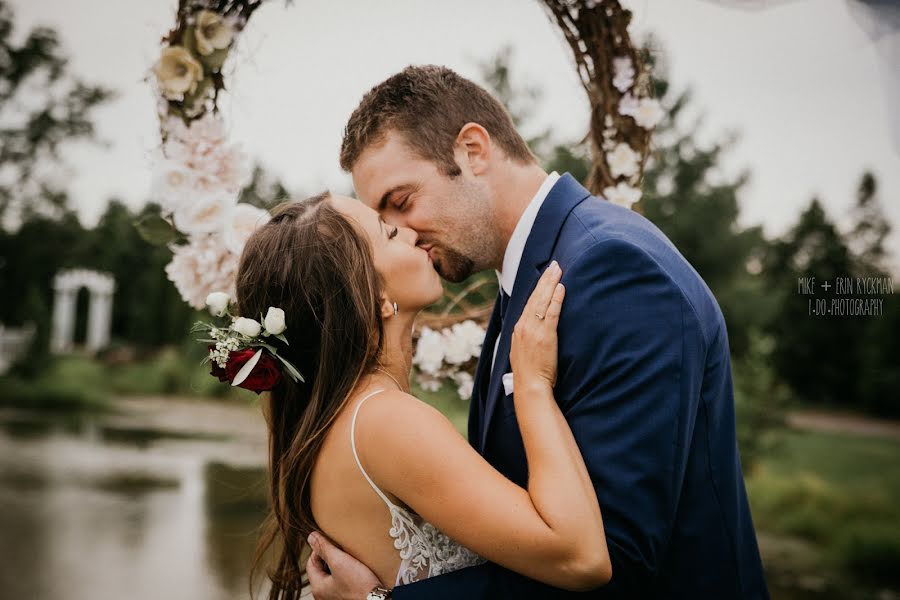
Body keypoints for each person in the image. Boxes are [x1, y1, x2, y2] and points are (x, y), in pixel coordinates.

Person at [305, 65, 769, 599]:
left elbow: (615, 559)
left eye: (402, 202)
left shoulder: (613, 270)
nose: (403, 235)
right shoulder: (528, 274)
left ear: (473, 151)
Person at [237, 192, 612, 599]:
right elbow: (582, 560)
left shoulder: (337, 420)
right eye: (390, 233)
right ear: (374, 296)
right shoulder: (387, 421)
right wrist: (533, 385)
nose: (413, 234)